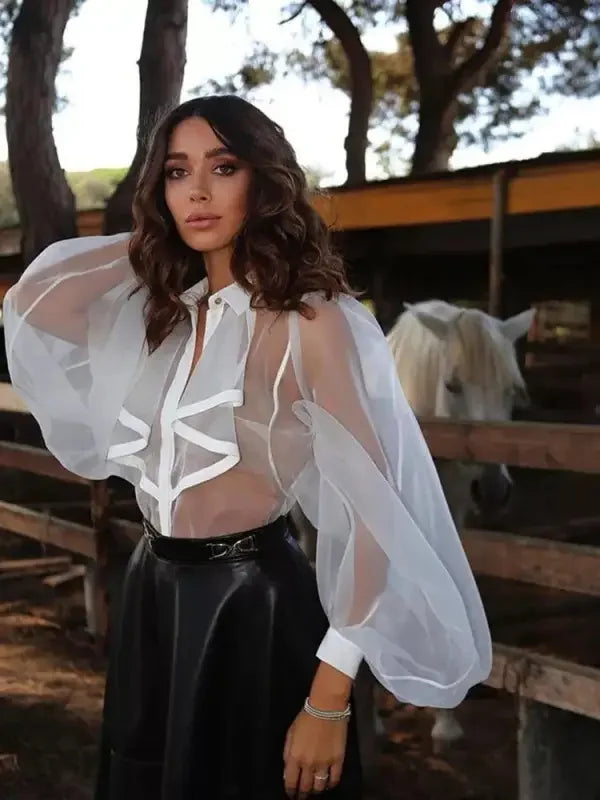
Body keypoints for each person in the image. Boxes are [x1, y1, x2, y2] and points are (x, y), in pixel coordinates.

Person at [3, 95, 492, 800]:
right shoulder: (168, 317)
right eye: (177, 173)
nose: (198, 191)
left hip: (251, 606)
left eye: (223, 168)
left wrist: (329, 697)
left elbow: (376, 517)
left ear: (262, 181)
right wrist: (159, 235)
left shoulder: (311, 323)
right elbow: (31, 305)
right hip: (152, 593)